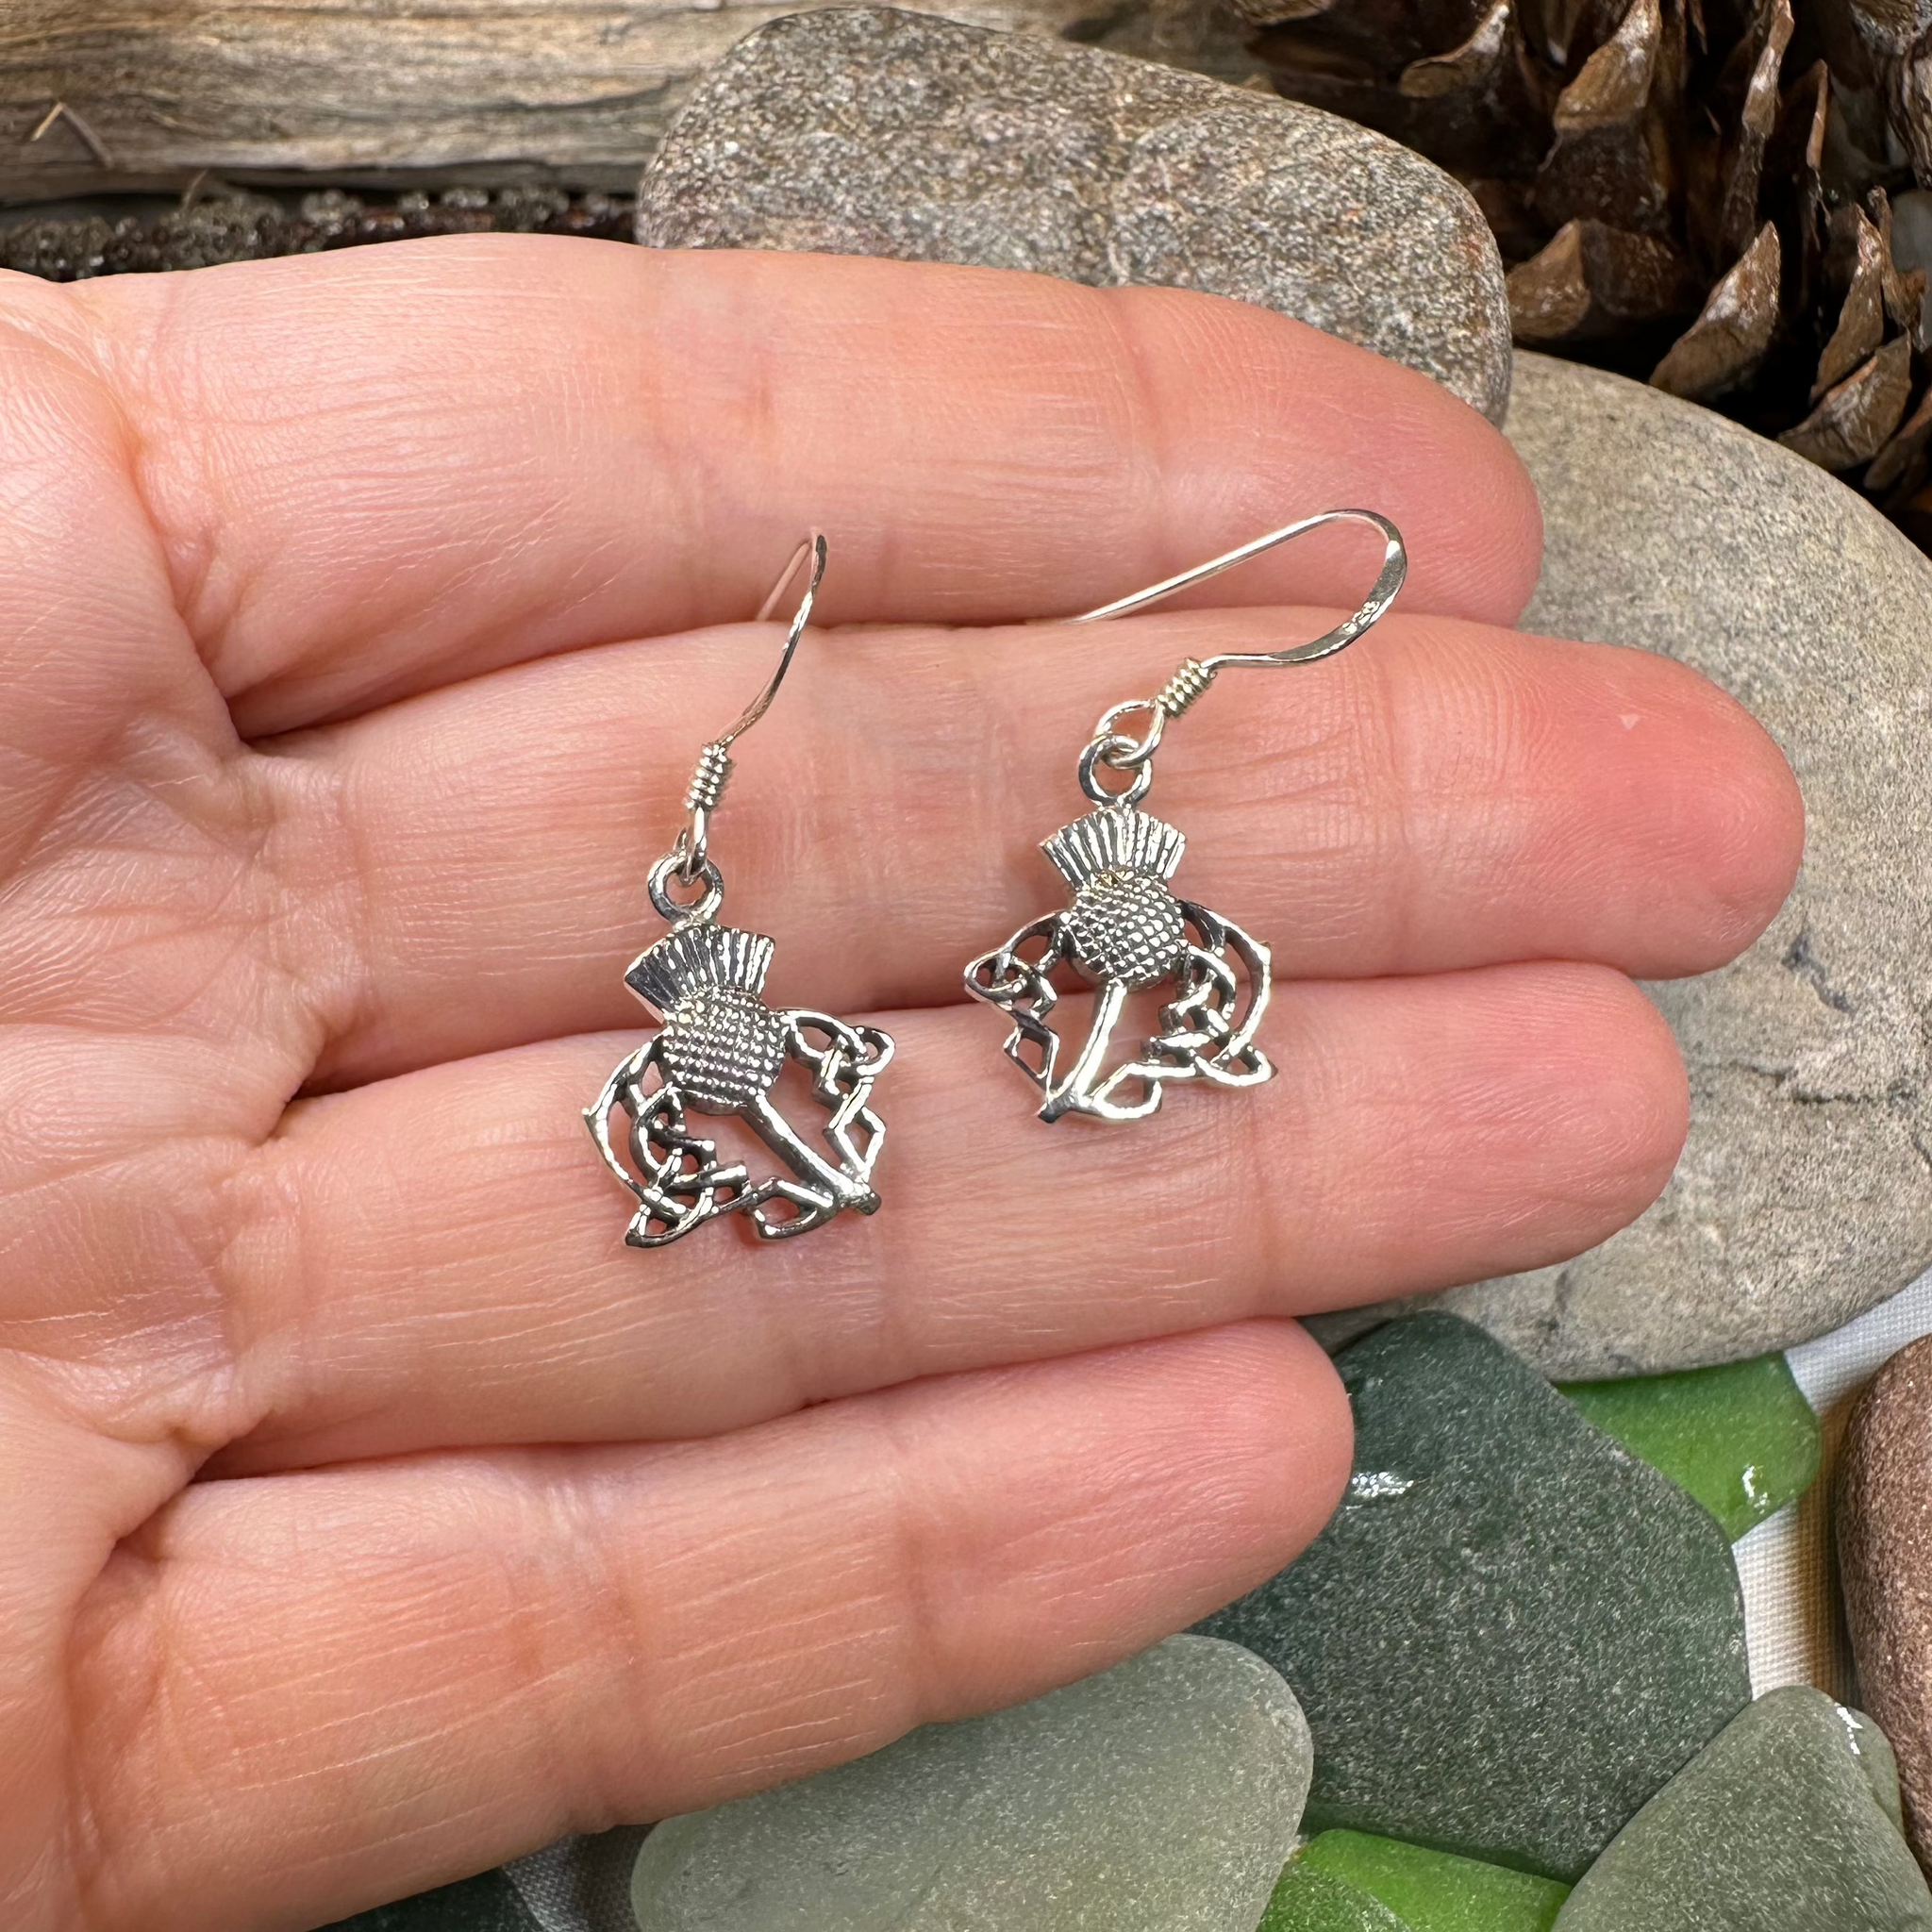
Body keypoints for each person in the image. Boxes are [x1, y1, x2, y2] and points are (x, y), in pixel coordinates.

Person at [0, 237, 1801, 1932]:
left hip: (958, 1018)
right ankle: (875, 1147)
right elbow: (712, 1091)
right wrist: (777, 1122)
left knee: (984, 1069)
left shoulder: (1105, 927)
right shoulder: (720, 1009)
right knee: (858, 1109)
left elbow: (1124, 980)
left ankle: (925, 1129)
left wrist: (1035, 1029)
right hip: (772, 1074)